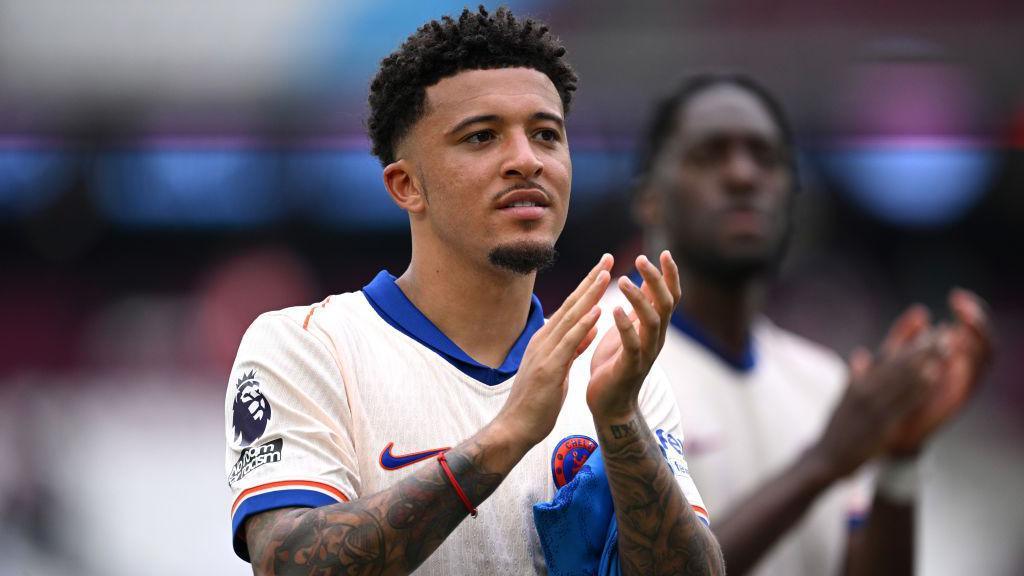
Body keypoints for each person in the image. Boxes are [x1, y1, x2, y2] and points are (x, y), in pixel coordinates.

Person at [223, 8, 723, 576]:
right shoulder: (307, 346)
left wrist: (620, 423)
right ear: (407, 185)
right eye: (482, 137)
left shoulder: (616, 373)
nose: (526, 160)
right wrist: (506, 435)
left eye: (546, 135)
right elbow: (287, 564)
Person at [623, 72, 994, 576]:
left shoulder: (821, 380)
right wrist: (821, 463)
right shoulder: (595, 358)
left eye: (766, 158)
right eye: (710, 155)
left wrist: (900, 460)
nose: (743, 176)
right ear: (650, 198)